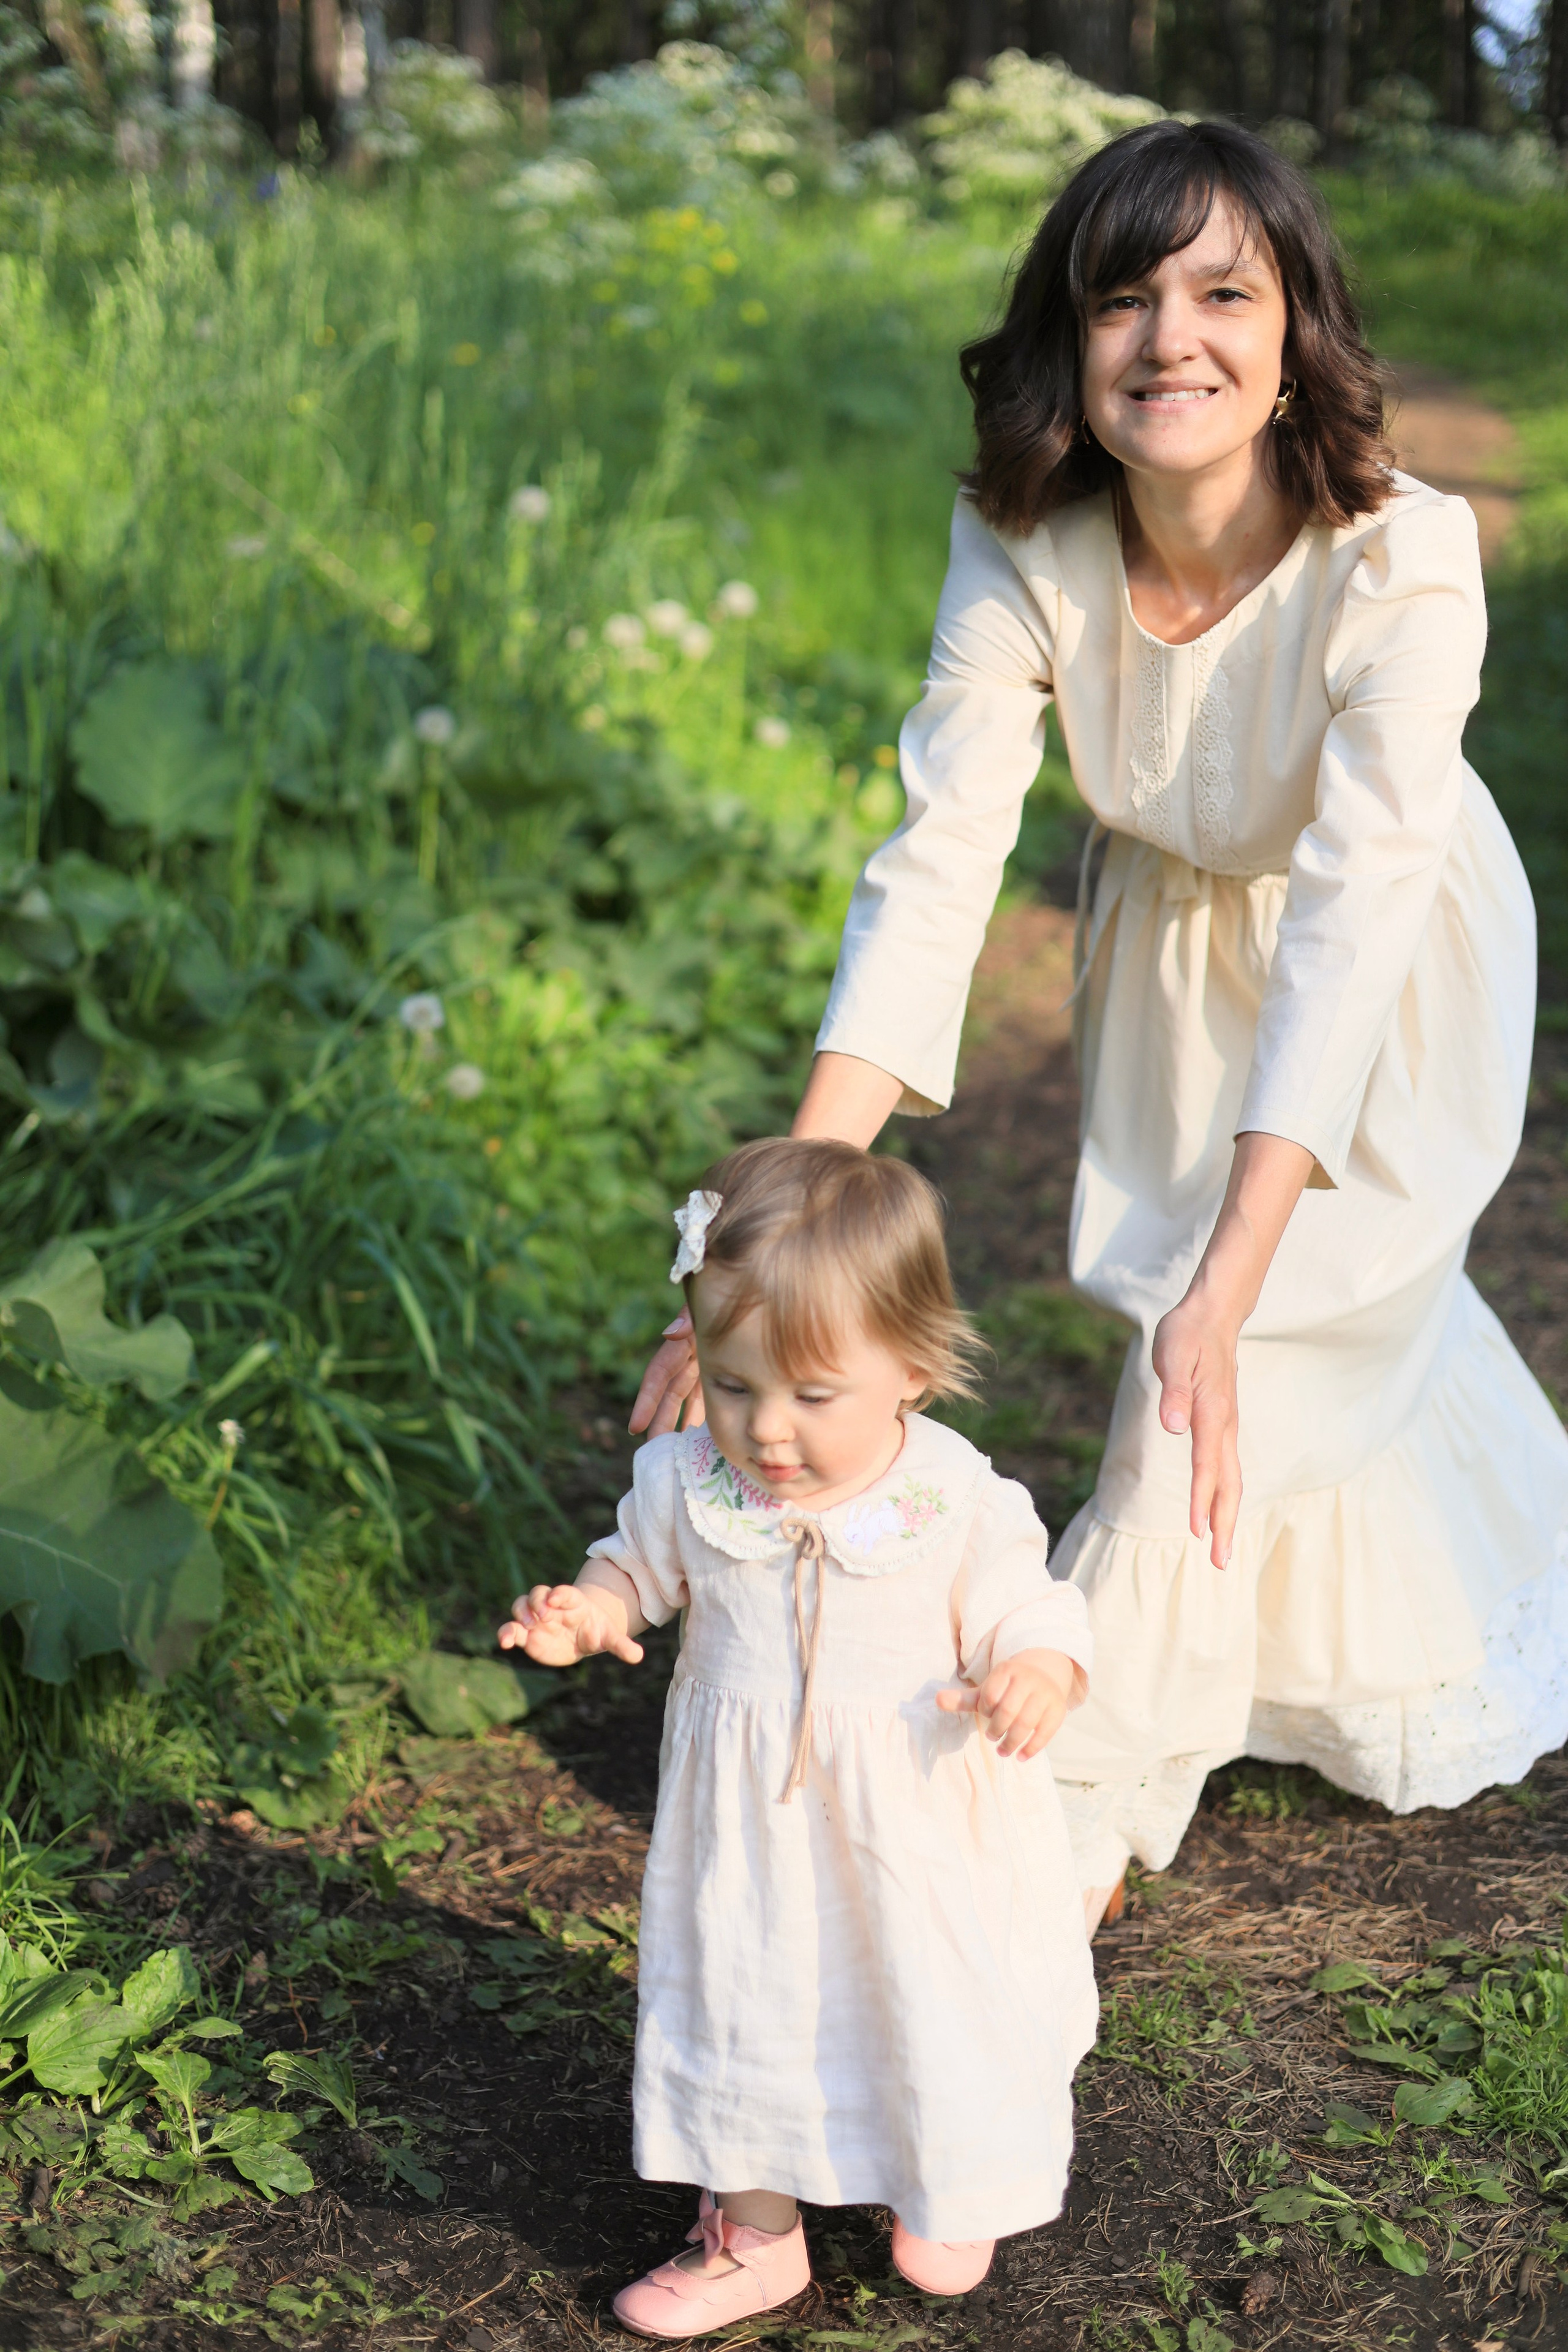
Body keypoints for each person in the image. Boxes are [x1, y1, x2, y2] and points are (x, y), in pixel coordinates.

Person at [632, 120, 1568, 1935]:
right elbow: (938, 859)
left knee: (1224, 1333)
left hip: (1392, 957)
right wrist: (786, 1214)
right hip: (1166, 951)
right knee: (1233, 1313)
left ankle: (1039, 1829)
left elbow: (1361, 908)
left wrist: (1232, 1266)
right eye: (1124, 297)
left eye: (1226, 292)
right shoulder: (1025, 543)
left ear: (1297, 327)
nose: (1173, 340)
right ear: (1071, 337)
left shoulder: (1409, 552)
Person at [503, 1138, 1095, 2339]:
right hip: (748, 1837)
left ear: (913, 1371)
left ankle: (943, 2174)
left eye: (810, 1396)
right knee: (744, 2002)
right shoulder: (689, 1484)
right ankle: (750, 2234)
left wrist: (1035, 1669)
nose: (766, 1429)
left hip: (914, 1830)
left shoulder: (956, 1501)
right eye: (731, 1385)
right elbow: (635, 1568)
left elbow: (1031, 1607)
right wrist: (591, 1610)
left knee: (924, 1998)